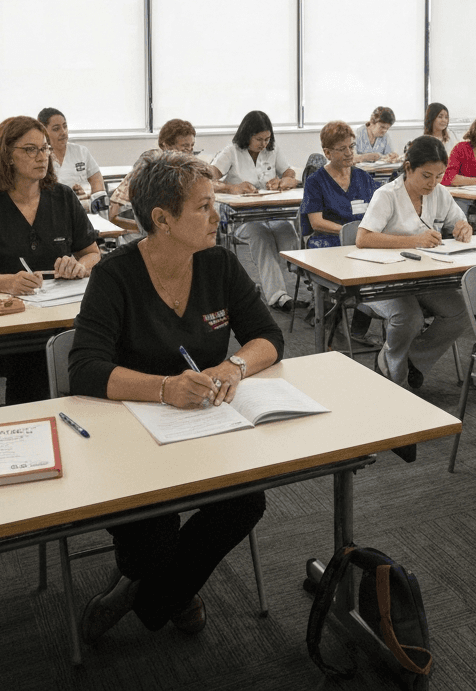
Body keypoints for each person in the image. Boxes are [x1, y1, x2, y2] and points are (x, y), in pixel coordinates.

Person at [69, 151, 282, 643]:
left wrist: (235, 364)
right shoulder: (114, 276)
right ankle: (170, 589)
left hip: (204, 430)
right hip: (130, 437)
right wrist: (164, 388)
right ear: (162, 220)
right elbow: (84, 369)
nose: (217, 215)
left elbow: (269, 337)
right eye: (204, 207)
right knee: (149, 545)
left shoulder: (218, 264)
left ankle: (141, 598)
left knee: (246, 502)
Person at [0, 116, 101, 404]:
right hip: (9, 324)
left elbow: (93, 253)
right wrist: (7, 281)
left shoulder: (63, 198)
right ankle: (34, 431)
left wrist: (80, 266)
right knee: (36, 361)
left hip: (60, 314)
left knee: (94, 347)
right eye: (30, 150)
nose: (41, 157)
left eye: (44, 149)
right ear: (7, 155)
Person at [356, 136, 472, 388]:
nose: (433, 183)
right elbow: (363, 238)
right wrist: (413, 240)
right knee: (410, 317)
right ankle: (392, 369)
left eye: (439, 176)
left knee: (460, 312)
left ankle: (412, 359)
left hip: (423, 277)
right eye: (426, 175)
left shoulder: (439, 193)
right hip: (383, 278)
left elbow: (457, 222)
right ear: (408, 168)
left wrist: (463, 228)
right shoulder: (387, 195)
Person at [210, 111, 298, 312]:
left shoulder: (272, 151)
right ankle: (278, 296)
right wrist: (232, 187)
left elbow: (290, 173)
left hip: (271, 213)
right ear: (246, 135)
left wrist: (284, 181)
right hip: (241, 218)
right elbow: (207, 180)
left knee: (287, 232)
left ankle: (308, 287)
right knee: (261, 236)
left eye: (267, 139)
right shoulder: (230, 152)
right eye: (258, 139)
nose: (263, 144)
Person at [109, 119, 197, 237]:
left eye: (192, 146)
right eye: (185, 147)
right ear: (165, 145)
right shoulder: (150, 164)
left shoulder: (184, 168)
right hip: (144, 230)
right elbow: (114, 214)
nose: (189, 152)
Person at [301, 122, 377, 248]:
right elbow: (317, 223)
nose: (349, 153)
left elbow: (377, 212)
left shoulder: (364, 178)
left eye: (351, 146)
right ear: (327, 153)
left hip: (361, 239)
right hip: (328, 240)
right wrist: (349, 232)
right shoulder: (315, 181)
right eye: (342, 149)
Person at [38, 108, 104, 198]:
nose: (63, 132)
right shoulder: (40, 157)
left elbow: (97, 180)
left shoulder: (81, 152)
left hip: (85, 205)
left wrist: (90, 195)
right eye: (56, 129)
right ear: (44, 131)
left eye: (65, 126)